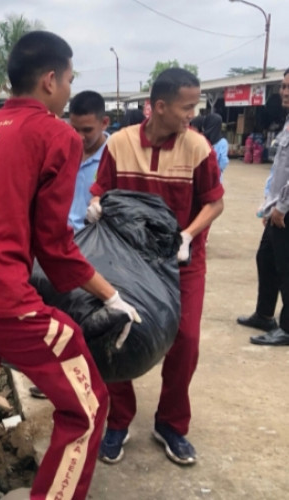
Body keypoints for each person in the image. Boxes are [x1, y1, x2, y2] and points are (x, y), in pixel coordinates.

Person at [0, 32, 138, 500]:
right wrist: (111, 294)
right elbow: (54, 245)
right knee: (88, 405)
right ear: (50, 79)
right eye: (69, 80)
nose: (68, 90)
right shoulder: (55, 134)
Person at [88, 68, 224, 466]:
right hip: (130, 264)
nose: (192, 115)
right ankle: (119, 419)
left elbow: (215, 202)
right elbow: (101, 188)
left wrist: (187, 234)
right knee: (117, 333)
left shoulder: (198, 147)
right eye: (187, 107)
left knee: (186, 341)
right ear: (159, 107)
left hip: (182, 262)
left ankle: (172, 424)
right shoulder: (120, 145)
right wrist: (96, 204)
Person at [237, 68, 289, 346]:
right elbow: (279, 170)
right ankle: (264, 314)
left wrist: (282, 206)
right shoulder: (288, 122)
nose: (284, 91)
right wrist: (269, 206)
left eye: (288, 87)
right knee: (266, 259)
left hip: (286, 209)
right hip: (277, 208)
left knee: (286, 268)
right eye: (283, 86)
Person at [68, 90, 110, 231]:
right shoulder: (64, 152)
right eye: (74, 129)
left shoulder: (114, 156)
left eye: (87, 130)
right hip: (63, 240)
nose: (80, 137)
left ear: (104, 123)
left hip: (95, 243)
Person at [200, 113, 229, 182]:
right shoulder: (222, 142)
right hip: (215, 177)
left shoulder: (200, 138)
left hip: (201, 177)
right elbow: (223, 160)